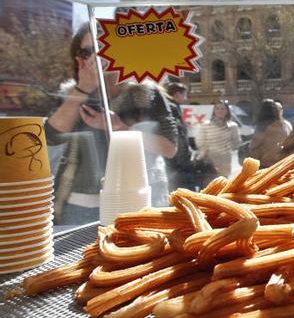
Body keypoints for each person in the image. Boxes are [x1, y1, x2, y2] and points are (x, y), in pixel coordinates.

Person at [47, 24, 179, 224]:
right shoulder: (72, 94)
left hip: (138, 199)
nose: (95, 58)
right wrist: (83, 89)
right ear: (78, 58)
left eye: (103, 48)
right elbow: (51, 136)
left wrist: (120, 127)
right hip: (80, 205)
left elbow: (169, 147)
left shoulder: (145, 93)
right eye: (87, 52)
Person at [195, 100, 242, 178]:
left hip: (225, 159)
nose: (220, 110)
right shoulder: (205, 125)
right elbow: (200, 141)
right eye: (217, 108)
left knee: (223, 182)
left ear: (227, 111)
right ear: (213, 110)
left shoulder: (233, 126)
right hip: (209, 159)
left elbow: (236, 142)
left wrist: (227, 149)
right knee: (209, 183)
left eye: (223, 108)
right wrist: (205, 151)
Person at [249, 99, 293, 168]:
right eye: (277, 109)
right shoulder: (284, 125)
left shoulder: (264, 127)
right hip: (277, 164)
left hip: (271, 164)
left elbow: (252, 147)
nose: (279, 111)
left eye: (280, 109)